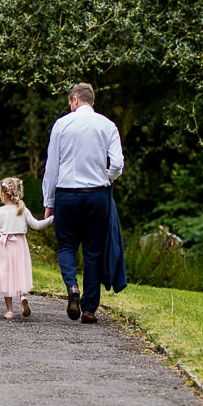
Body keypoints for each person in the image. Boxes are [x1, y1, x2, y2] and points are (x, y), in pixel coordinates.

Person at [42, 82, 126, 322]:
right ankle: (89, 309)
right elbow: (118, 163)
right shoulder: (107, 125)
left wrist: (49, 201)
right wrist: (108, 177)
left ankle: (72, 287)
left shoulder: (62, 124)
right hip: (97, 194)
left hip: (67, 194)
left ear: (75, 101)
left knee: (67, 246)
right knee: (93, 250)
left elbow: (52, 167)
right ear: (92, 102)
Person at [0, 176, 53, 320]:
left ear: (2, 193)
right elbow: (36, 225)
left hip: (4, 247)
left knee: (6, 276)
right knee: (19, 272)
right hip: (20, 246)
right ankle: (22, 296)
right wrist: (51, 219)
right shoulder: (23, 210)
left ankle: (10, 310)